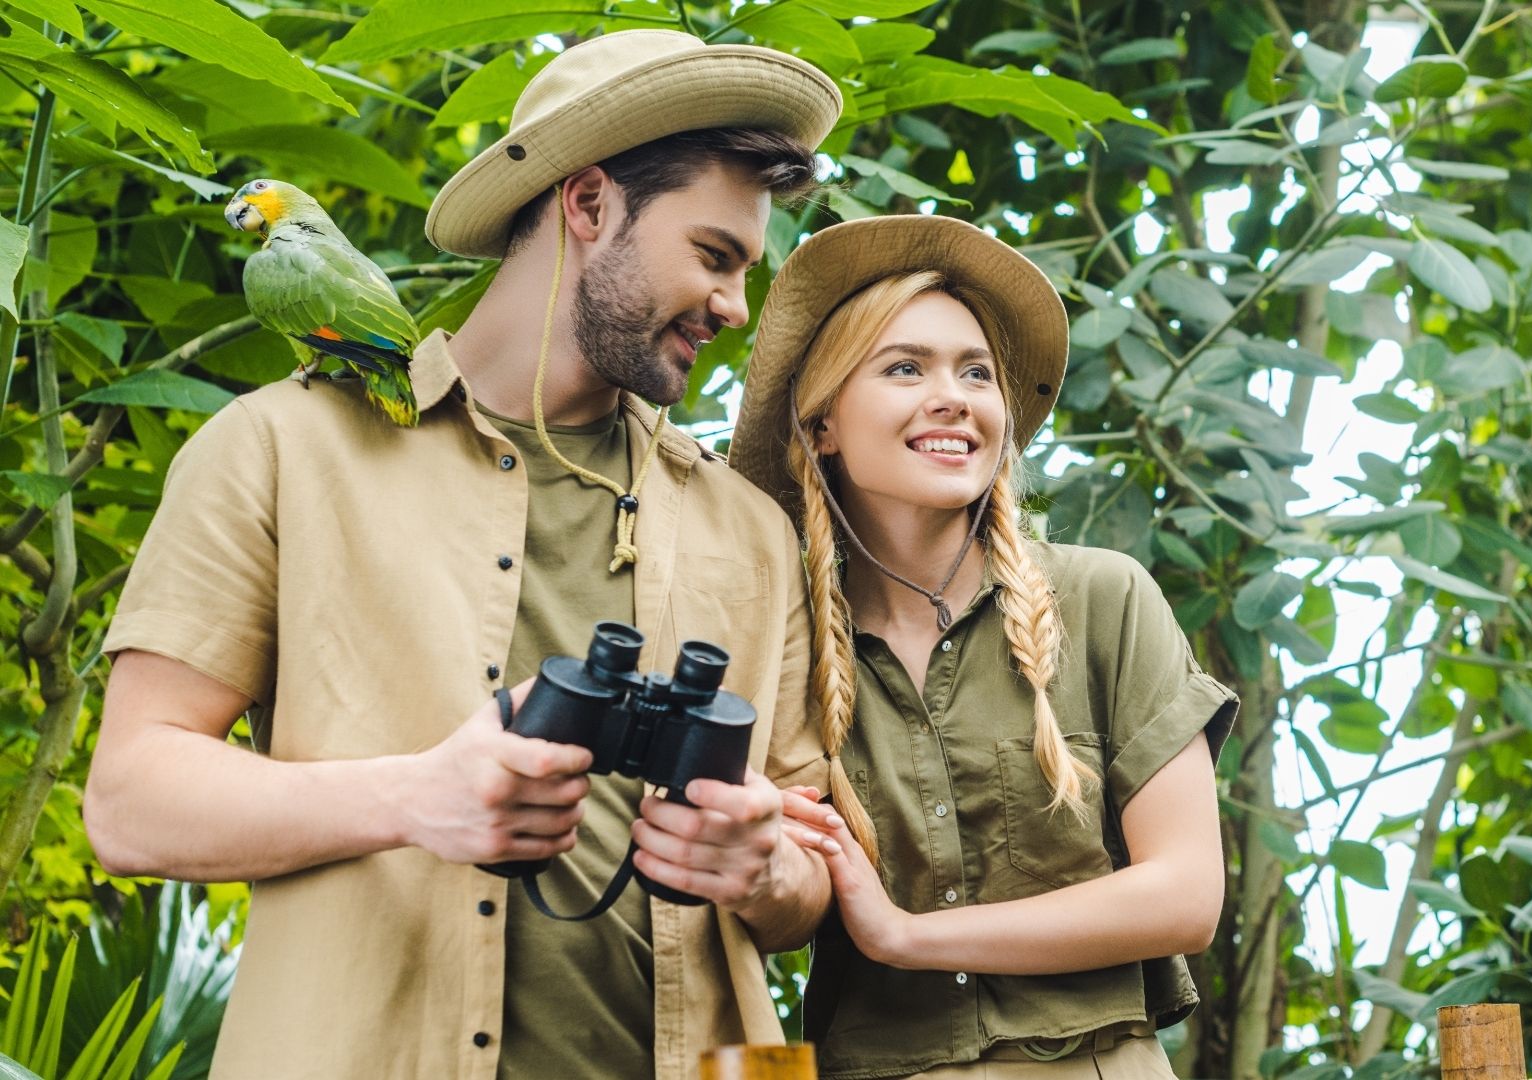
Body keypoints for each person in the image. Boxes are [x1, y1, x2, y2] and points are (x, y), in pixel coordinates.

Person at [83, 30, 843, 1080]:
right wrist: (411, 797)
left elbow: (809, 879)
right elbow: (128, 803)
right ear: (588, 206)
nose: (733, 307)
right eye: (714, 256)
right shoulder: (278, 448)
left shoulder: (751, 527)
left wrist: (760, 867)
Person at [729, 215, 1239, 1079]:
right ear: (822, 426)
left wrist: (906, 937)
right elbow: (772, 901)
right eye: (904, 368)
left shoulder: (1102, 598)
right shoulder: (781, 641)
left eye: (977, 373)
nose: (954, 397)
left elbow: (1186, 897)